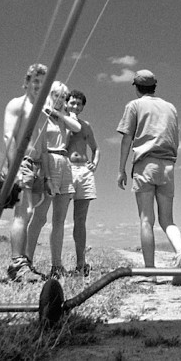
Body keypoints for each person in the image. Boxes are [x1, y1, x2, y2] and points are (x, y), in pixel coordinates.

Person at [117, 69, 181, 285]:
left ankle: (150, 272)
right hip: (168, 165)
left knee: (146, 220)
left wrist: (121, 169)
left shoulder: (134, 106)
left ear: (137, 87)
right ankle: (180, 252)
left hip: (145, 164)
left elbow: (126, 139)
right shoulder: (171, 107)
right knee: (167, 219)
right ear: (154, 86)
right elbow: (175, 137)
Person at [26, 80, 81, 279]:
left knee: (60, 219)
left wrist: (58, 113)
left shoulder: (63, 116)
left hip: (64, 162)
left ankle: (57, 265)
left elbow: (76, 128)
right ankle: (27, 262)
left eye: (63, 96)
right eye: (56, 95)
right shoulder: (40, 113)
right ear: (50, 94)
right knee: (40, 216)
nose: (60, 99)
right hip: (47, 160)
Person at [4, 63, 53, 282]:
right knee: (21, 214)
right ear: (26, 82)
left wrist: (46, 174)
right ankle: (17, 264)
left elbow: (42, 144)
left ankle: (25, 262)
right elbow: (8, 137)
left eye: (43, 83)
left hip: (38, 166)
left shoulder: (42, 112)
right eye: (35, 81)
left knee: (32, 214)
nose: (38, 86)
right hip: (21, 164)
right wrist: (14, 169)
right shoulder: (17, 104)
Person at [66, 90, 100, 277]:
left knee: (80, 219)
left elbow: (96, 148)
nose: (75, 107)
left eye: (79, 104)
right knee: (59, 217)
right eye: (72, 103)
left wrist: (94, 164)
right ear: (66, 104)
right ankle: (57, 263)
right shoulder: (63, 123)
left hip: (84, 171)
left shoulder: (87, 126)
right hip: (67, 168)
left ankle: (81, 262)